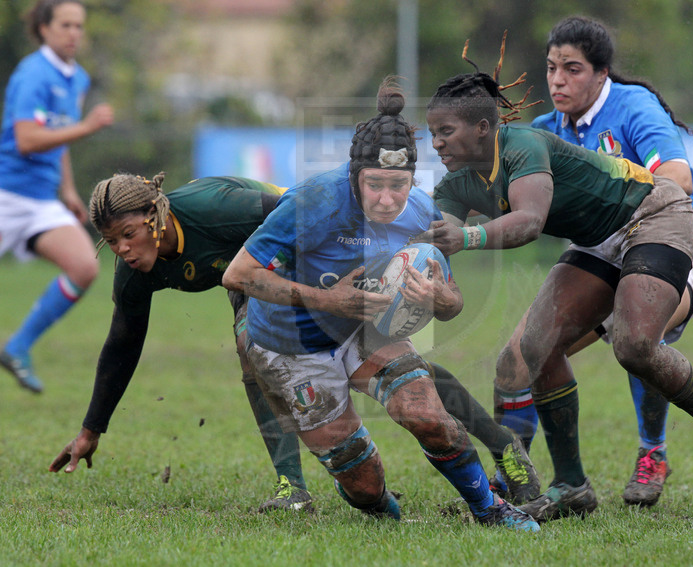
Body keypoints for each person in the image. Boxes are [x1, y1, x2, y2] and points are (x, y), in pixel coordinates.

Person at [415, 49, 693, 522]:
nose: (436, 144)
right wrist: (420, 273)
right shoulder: (454, 185)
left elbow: (529, 222)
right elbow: (436, 242)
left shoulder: (523, 145)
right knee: (531, 351)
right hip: (599, 240)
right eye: (432, 133)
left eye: (445, 132)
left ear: (483, 128)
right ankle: (571, 485)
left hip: (653, 213)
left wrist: (465, 236)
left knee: (634, 345)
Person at [222, 78, 540, 531]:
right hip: (289, 346)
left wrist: (442, 298)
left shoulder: (420, 212)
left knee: (428, 416)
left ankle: (489, 508)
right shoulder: (313, 202)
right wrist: (327, 299)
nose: (388, 199)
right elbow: (237, 275)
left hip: (364, 329)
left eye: (400, 184)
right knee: (365, 488)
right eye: (375, 185)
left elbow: (452, 302)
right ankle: (381, 506)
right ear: (355, 176)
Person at [490, 15, 693, 508]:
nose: (557, 79)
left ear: (601, 74)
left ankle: (654, 452)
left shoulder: (632, 107)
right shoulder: (544, 131)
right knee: (521, 356)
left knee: (634, 331)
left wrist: (612, 183)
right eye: (551, 68)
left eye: (572, 69)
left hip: (682, 245)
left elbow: (677, 177)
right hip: (602, 256)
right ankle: (515, 475)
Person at [48, 173, 314, 513]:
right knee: (251, 345)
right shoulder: (134, 273)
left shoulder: (211, 210)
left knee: (330, 350)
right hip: (250, 275)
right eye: (111, 240)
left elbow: (302, 212)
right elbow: (122, 345)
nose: (122, 248)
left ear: (156, 216)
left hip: (303, 248)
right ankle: (292, 488)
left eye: (128, 234)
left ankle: (346, 453)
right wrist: (90, 431)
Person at [0, 0, 115, 393]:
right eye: (66, 25)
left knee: (85, 266)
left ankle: (17, 346)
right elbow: (28, 139)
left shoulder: (76, 78)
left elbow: (57, 137)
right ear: (44, 29)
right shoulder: (33, 73)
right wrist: (86, 128)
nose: (74, 34)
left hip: (41, 201)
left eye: (79, 26)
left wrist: (66, 188)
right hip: (6, 194)